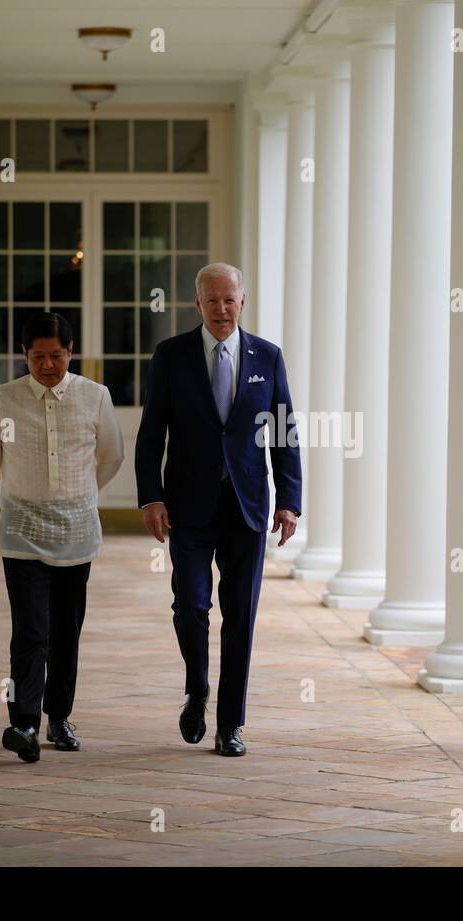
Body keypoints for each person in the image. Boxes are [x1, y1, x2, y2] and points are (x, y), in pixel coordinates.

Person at [135, 263, 302, 756]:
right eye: (212, 301)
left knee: (241, 615)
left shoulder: (267, 358)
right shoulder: (171, 356)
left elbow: (285, 434)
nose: (221, 309)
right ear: (198, 304)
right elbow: (151, 433)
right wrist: (151, 496)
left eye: (229, 299)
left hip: (248, 508)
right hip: (187, 505)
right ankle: (197, 687)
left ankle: (231, 724)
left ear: (243, 301)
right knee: (190, 606)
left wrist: (290, 501)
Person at [0, 312, 124, 763]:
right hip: (20, 532)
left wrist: (80, 493)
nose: (48, 365)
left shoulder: (95, 397)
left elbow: (112, 456)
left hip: (76, 533)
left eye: (56, 355)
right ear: (24, 356)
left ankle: (60, 717)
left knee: (66, 631)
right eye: (38, 357)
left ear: (71, 353)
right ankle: (24, 723)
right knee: (30, 632)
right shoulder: (4, 399)